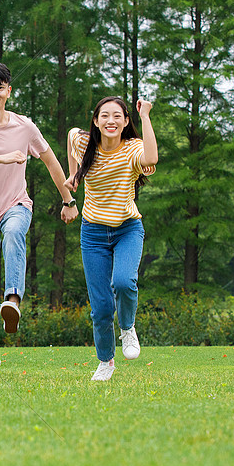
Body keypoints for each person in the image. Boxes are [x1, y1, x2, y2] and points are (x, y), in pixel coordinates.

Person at [0, 63, 78, 376]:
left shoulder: (24, 127)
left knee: (14, 233)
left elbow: (51, 161)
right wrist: (2, 157)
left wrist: (68, 199)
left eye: (0, 87)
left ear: (9, 91)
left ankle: (12, 299)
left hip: (16, 204)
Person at [65, 97, 157, 381]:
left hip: (127, 229)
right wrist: (73, 175)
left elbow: (151, 159)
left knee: (124, 282)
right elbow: (70, 136)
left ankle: (127, 328)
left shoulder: (133, 149)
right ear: (96, 121)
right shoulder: (83, 144)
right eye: (104, 116)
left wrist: (146, 116)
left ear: (126, 122)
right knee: (102, 307)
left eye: (117, 116)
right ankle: (106, 361)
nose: (111, 121)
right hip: (93, 234)